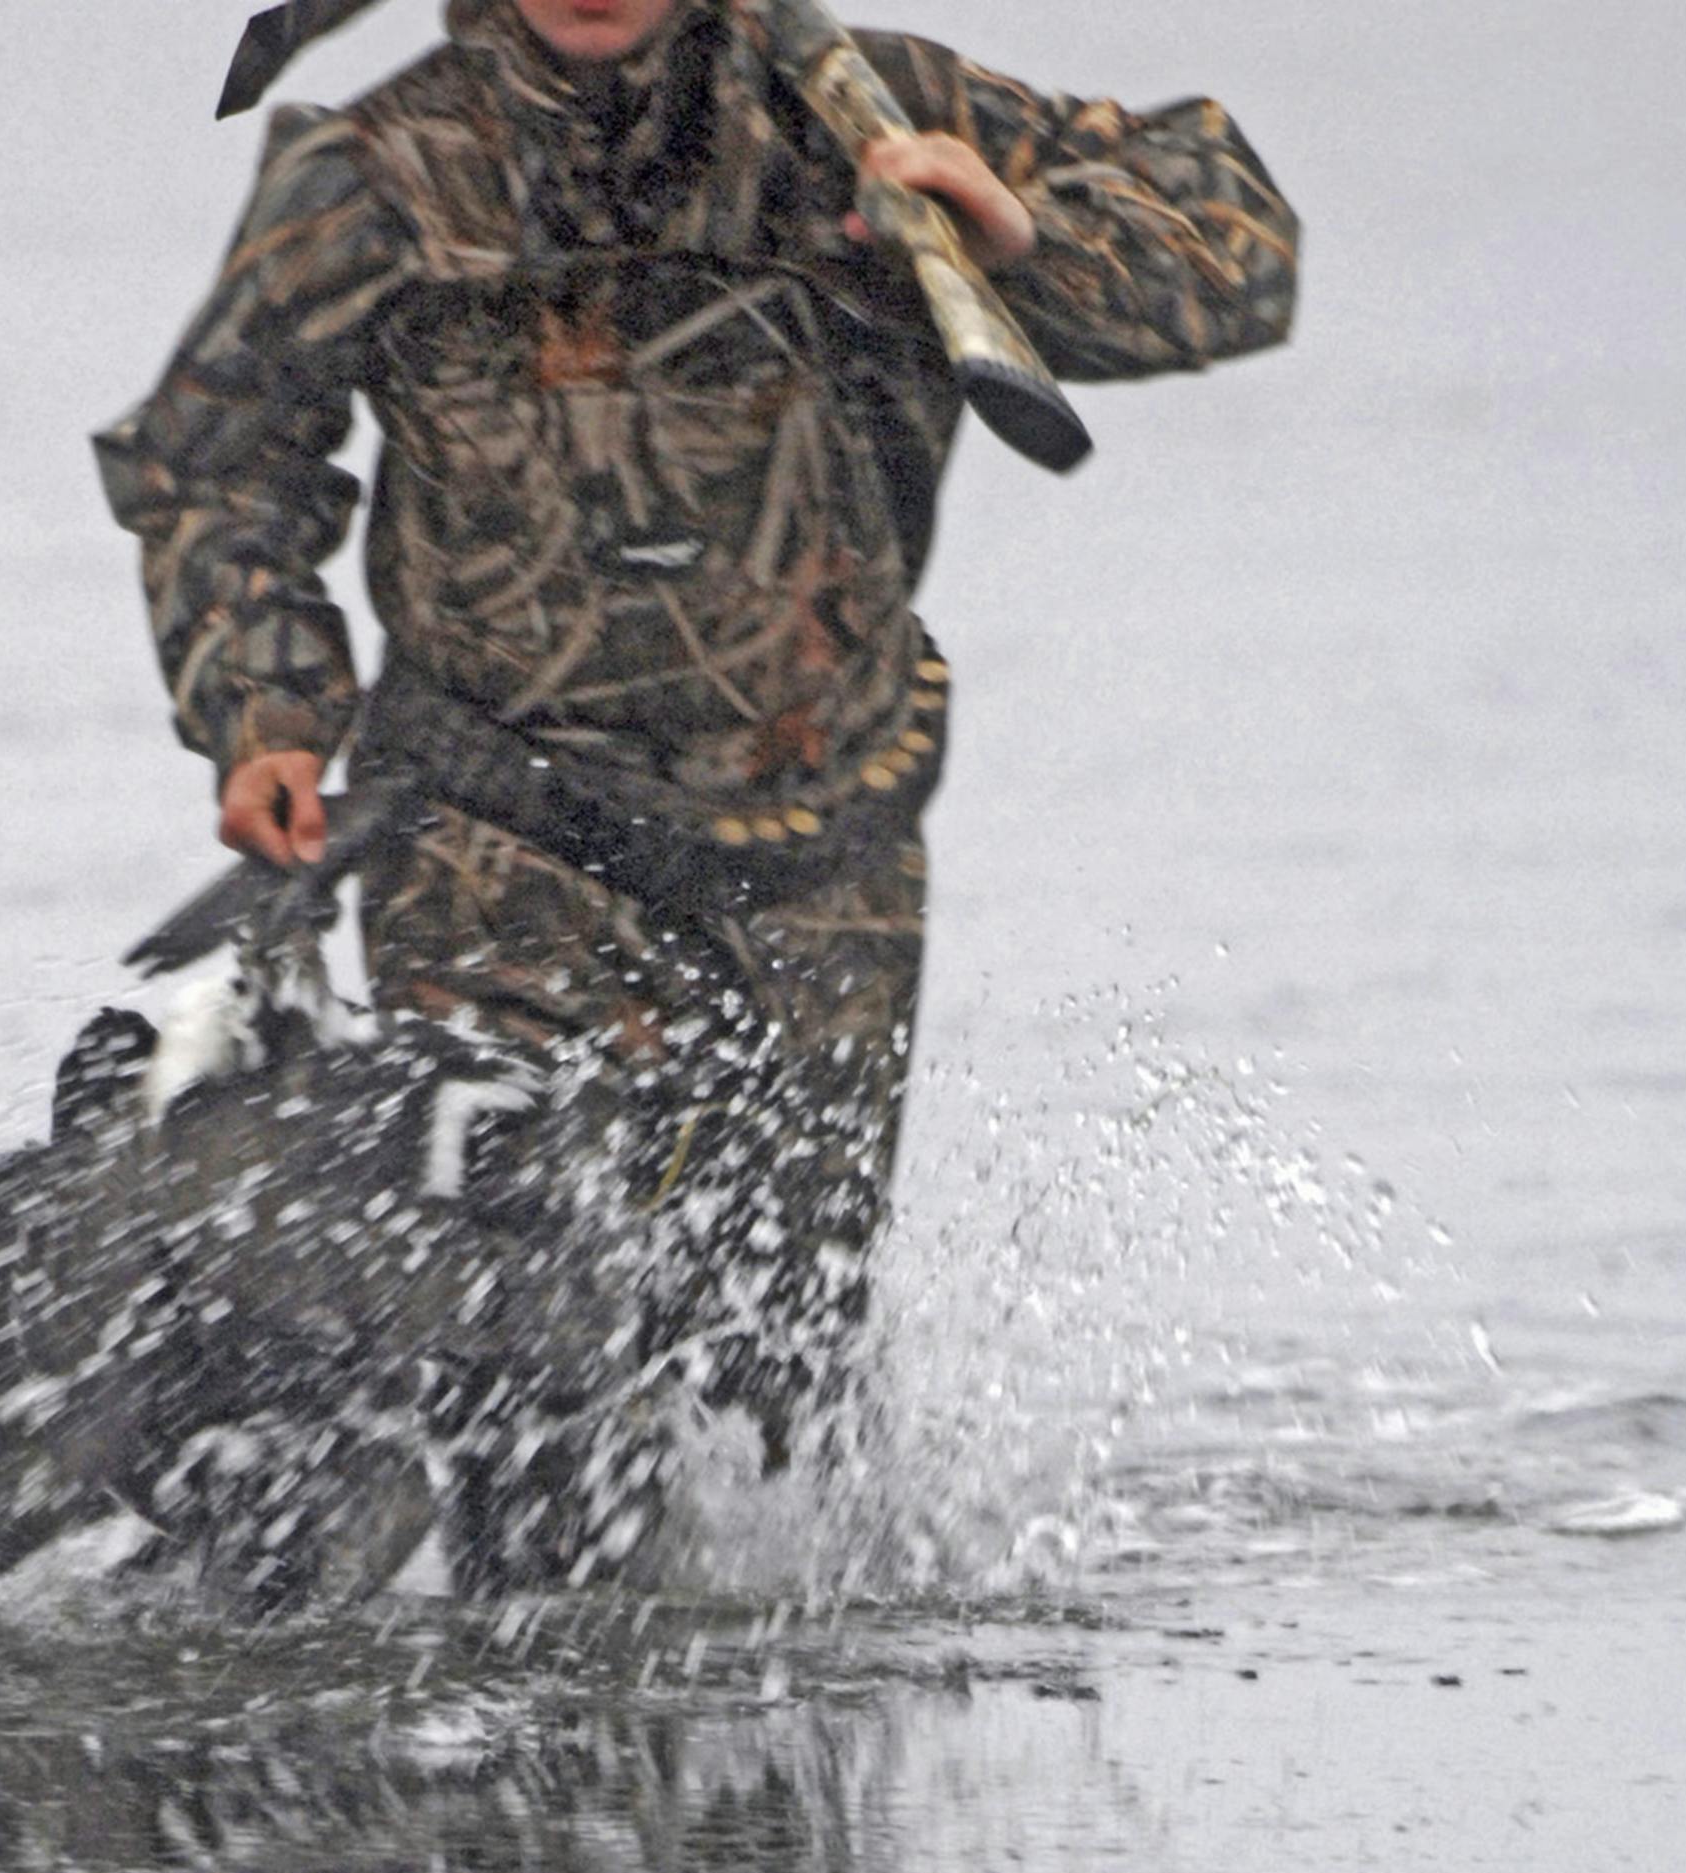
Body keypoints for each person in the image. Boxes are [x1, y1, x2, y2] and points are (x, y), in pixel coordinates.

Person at [93, 0, 1298, 1574]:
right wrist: (263, 713)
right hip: (493, 839)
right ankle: (465, 1661)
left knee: (774, 1401)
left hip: (822, 860)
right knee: (527, 1340)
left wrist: (1024, 235)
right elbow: (215, 465)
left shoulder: (868, 114)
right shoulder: (378, 168)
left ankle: (749, 1722)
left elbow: (1239, 246)